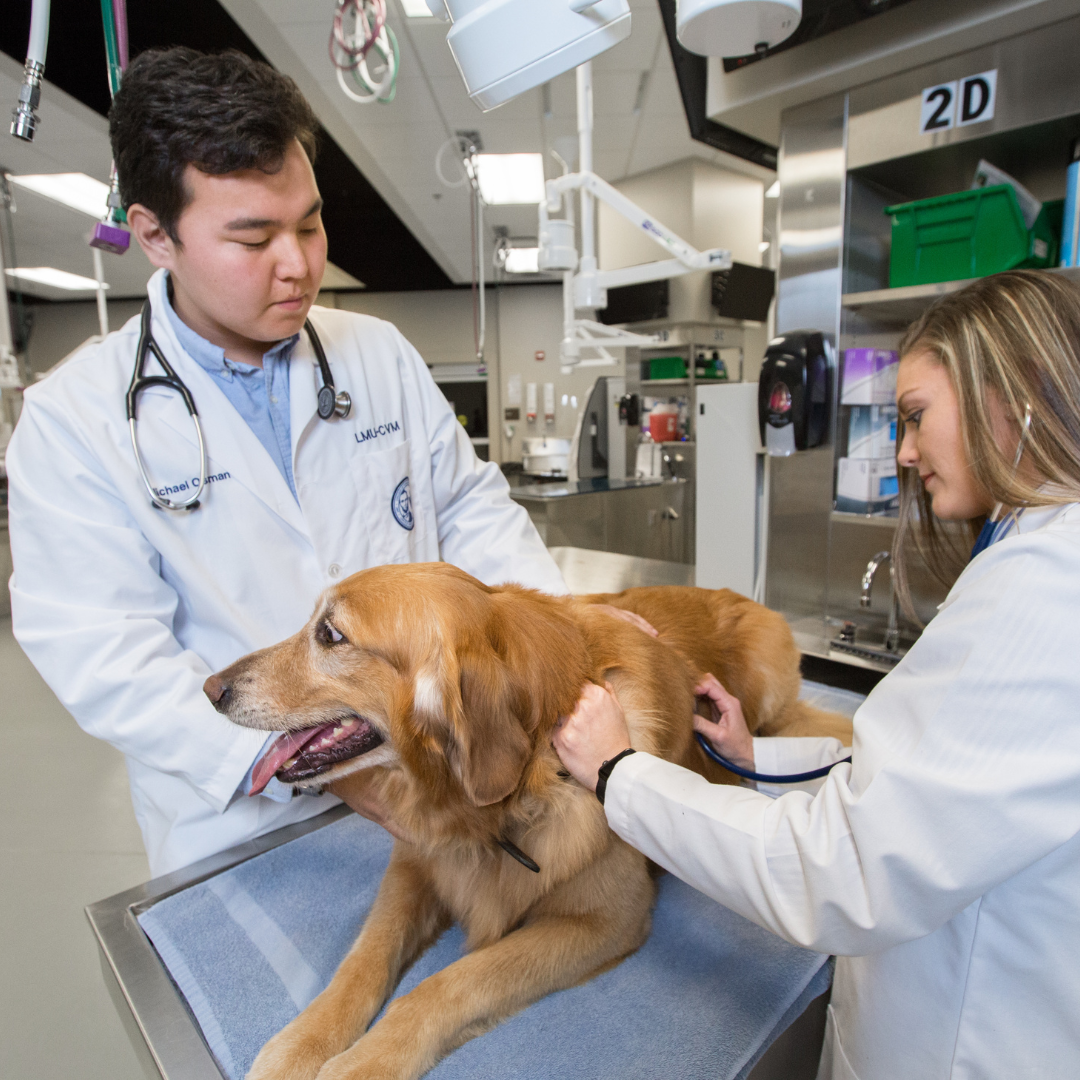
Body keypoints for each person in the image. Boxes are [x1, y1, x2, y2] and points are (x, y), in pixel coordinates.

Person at [6, 48, 568, 878]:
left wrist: (561, 663)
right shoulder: (73, 421)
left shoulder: (376, 354)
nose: (300, 262)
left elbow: (476, 517)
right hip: (241, 820)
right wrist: (320, 770)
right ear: (155, 234)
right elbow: (106, 654)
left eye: (307, 222)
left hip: (442, 774)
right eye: (253, 237)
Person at [553, 269, 1080, 1079]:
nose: (903, 452)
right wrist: (749, 756)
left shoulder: (1045, 590)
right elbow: (927, 792)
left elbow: (845, 868)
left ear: (1015, 392)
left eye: (914, 418)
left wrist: (623, 775)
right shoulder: (1036, 560)